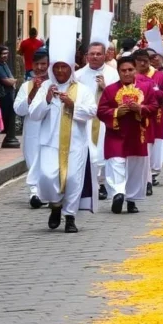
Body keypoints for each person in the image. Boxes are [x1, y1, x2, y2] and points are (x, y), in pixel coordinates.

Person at [27, 49, 98, 234]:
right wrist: (47, 100)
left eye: (64, 67)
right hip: (50, 142)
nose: (60, 71)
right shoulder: (45, 88)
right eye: (56, 67)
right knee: (47, 177)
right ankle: (56, 204)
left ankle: (70, 217)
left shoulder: (82, 89)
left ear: (71, 69)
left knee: (74, 179)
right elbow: (34, 114)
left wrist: (73, 104)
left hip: (75, 142)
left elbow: (92, 111)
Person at [98, 56, 158, 213]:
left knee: (135, 167)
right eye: (123, 70)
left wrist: (140, 109)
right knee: (115, 164)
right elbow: (101, 111)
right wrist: (117, 112)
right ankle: (118, 193)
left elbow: (153, 106)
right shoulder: (110, 90)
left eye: (130, 70)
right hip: (116, 134)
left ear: (135, 70)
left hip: (137, 134)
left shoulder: (146, 88)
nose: (127, 73)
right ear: (118, 72)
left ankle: (132, 199)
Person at [75, 42, 119, 200]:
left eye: (98, 54)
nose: (94, 57)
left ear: (105, 55)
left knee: (102, 151)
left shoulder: (113, 74)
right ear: (86, 56)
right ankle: (87, 182)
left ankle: (101, 184)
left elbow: (119, 96)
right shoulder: (78, 75)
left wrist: (105, 87)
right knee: (87, 151)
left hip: (104, 119)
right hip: (84, 119)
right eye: (91, 54)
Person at [134, 49, 163, 195]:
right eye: (140, 60)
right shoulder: (130, 76)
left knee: (151, 147)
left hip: (154, 115)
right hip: (134, 118)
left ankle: (149, 178)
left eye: (146, 60)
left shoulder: (160, 76)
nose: (143, 63)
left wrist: (154, 93)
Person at [15, 50, 48, 209]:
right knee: (33, 159)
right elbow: (19, 110)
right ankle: (35, 192)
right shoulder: (26, 86)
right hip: (33, 131)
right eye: (37, 64)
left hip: (51, 131)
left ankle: (49, 192)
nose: (40, 67)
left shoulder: (56, 84)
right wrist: (33, 91)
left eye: (43, 64)